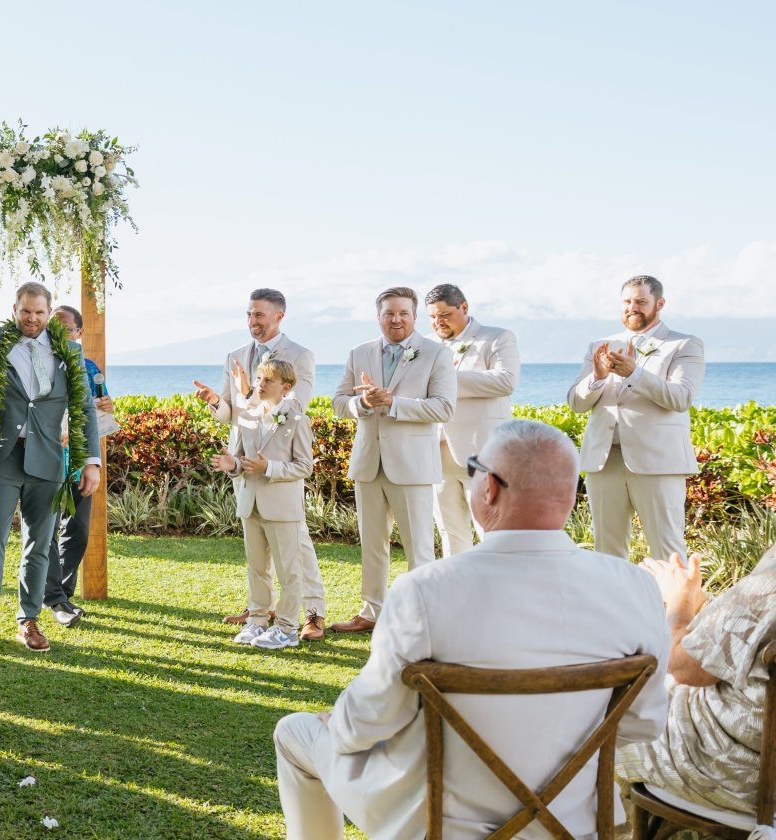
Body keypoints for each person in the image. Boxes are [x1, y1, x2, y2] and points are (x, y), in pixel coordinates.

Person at [273, 420, 670, 838]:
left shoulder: (424, 590)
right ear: (569, 494)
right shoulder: (635, 587)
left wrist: (335, 720)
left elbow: (361, 728)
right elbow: (642, 724)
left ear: (490, 489)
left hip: (439, 825)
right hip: (573, 825)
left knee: (296, 732)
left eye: (474, 468)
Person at [619, 434, 776, 821]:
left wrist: (678, 601)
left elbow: (688, 668)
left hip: (753, 777)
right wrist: (702, 603)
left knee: (620, 703)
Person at [0, 271, 103, 654]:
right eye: (26, 311)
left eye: (39, 312)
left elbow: (83, 408)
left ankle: (29, 620)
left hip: (48, 458)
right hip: (2, 455)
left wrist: (91, 461)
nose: (32, 318)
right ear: (14, 310)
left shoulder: (70, 352)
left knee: (39, 545)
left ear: (49, 313)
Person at [193, 288, 326, 641]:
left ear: (279, 316)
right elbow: (230, 412)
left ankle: (312, 612)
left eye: (260, 315)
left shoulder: (300, 355)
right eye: (250, 314)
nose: (253, 321)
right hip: (244, 457)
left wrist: (250, 394)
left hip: (276, 462)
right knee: (258, 545)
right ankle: (260, 612)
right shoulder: (235, 355)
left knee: (295, 545)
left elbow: (296, 407)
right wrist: (214, 402)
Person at [328, 287, 457, 635]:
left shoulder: (435, 353)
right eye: (389, 313)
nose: (395, 319)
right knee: (372, 544)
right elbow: (339, 402)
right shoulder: (359, 353)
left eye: (403, 313)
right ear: (379, 316)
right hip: (369, 462)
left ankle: (423, 616)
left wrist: (394, 402)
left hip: (413, 464)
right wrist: (364, 404)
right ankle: (372, 611)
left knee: (418, 546)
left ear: (414, 317)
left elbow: (444, 407)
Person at [567, 275, 705, 561]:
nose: (633, 308)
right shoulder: (600, 344)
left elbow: (680, 398)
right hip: (604, 459)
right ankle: (613, 606)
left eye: (641, 301)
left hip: (658, 461)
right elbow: (576, 404)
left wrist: (634, 373)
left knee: (667, 550)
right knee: (607, 551)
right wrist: (597, 377)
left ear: (660, 303)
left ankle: (673, 607)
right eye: (628, 302)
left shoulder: (684, 345)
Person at [215, 359, 320, 651]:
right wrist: (230, 464)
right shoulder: (247, 418)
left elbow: (304, 466)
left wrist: (269, 468)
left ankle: (286, 628)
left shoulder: (297, 419)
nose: (259, 384)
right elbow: (240, 460)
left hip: (282, 507)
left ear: (285, 388)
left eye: (267, 381)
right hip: (251, 504)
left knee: (289, 571)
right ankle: (258, 620)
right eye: (259, 378)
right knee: (257, 568)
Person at [422, 284, 519, 557]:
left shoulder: (497, 337)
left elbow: (506, 381)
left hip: (482, 450)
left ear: (464, 308)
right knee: (449, 529)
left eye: (445, 314)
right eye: (432, 317)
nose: (438, 322)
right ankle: (458, 590)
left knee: (490, 526)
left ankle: (498, 590)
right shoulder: (425, 346)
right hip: (436, 449)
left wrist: (447, 379)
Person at [45, 304, 112, 629]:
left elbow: (102, 417)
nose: (60, 335)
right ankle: (54, 598)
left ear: (79, 333)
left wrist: (106, 408)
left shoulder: (89, 368)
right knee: (45, 531)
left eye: (66, 329)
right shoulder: (39, 363)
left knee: (78, 529)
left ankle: (63, 594)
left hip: (79, 462)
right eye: (53, 329)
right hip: (45, 460)